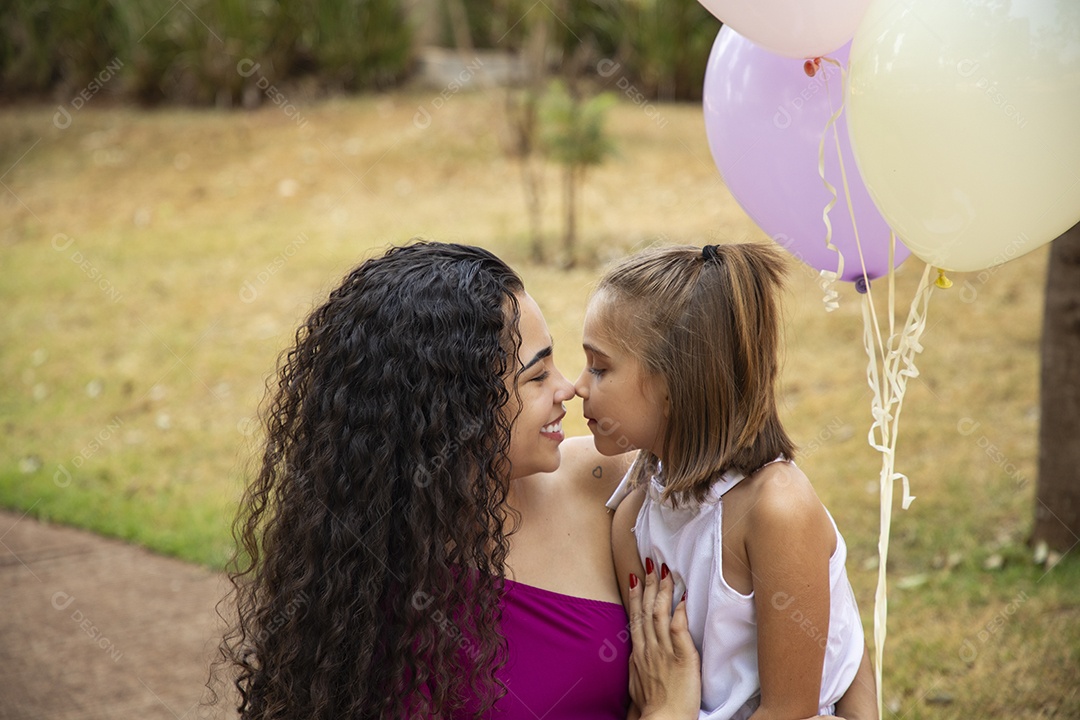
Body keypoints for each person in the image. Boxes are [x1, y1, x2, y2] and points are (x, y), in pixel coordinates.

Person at [211, 241, 696, 720]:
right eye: (536, 376)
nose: (568, 388)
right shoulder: (357, 572)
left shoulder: (610, 480)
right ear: (451, 412)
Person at [576, 243, 878, 720]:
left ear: (674, 383)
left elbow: (789, 710)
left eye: (599, 367)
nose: (578, 385)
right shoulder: (633, 519)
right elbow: (649, 690)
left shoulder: (776, 510)